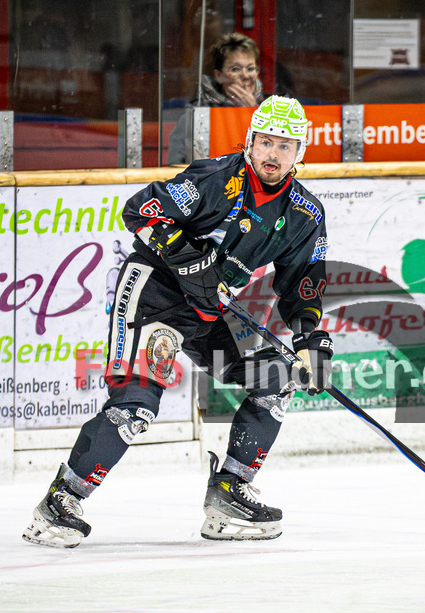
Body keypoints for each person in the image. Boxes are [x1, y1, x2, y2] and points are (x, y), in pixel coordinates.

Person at [23, 95, 332, 548]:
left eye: (285, 146)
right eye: (265, 141)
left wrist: (310, 337)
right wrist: (187, 258)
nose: (272, 154)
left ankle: (229, 491)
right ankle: (61, 500)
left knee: (276, 377)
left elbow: (302, 284)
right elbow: (140, 210)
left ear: (300, 152)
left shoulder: (305, 214)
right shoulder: (214, 180)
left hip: (210, 310)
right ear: (249, 141)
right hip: (156, 297)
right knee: (137, 406)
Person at [167, 32, 265, 165]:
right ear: (219, 75)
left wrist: (253, 111)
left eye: (250, 68)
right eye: (235, 69)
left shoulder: (271, 110)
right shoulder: (199, 114)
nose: (246, 75)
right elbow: (175, 164)